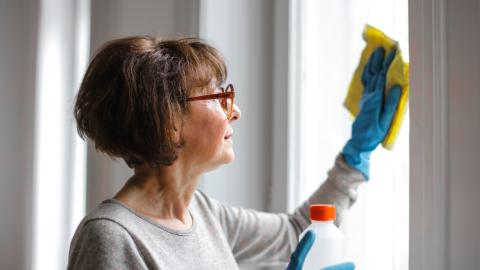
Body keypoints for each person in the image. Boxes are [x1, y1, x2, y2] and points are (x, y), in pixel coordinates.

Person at [67, 36, 400, 270]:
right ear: (169, 120)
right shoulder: (111, 236)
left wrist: (355, 155)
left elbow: (294, 234)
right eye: (215, 97)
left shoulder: (203, 213)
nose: (235, 110)